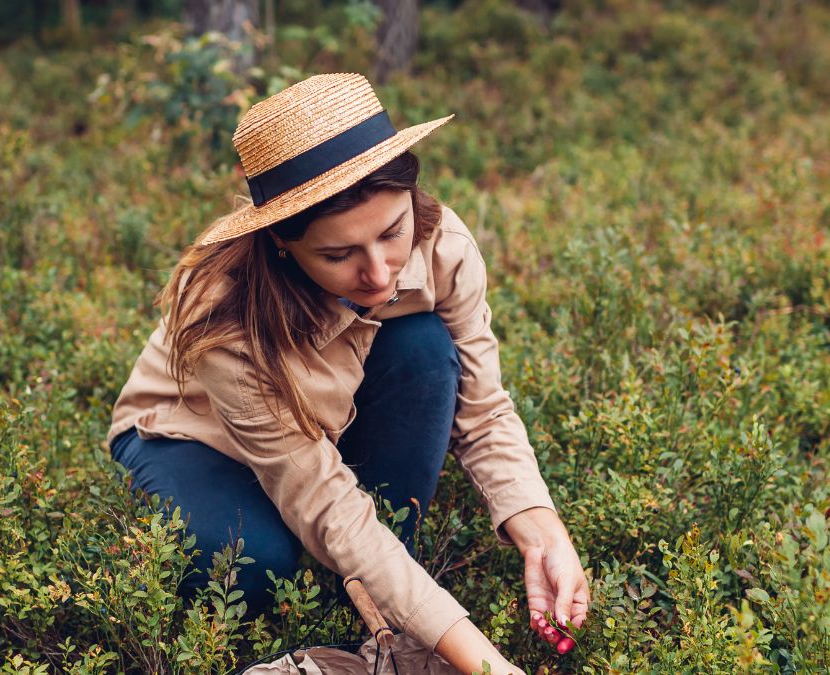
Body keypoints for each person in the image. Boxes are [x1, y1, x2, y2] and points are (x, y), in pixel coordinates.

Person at [106, 73, 588, 673]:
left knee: (424, 347)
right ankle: (370, 585)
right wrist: (485, 663)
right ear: (281, 242)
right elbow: (323, 501)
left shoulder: (444, 246)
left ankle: (382, 583)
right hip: (195, 436)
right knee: (251, 566)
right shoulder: (222, 314)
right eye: (338, 255)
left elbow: (482, 409)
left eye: (392, 233)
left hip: (334, 421)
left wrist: (543, 535)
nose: (381, 275)